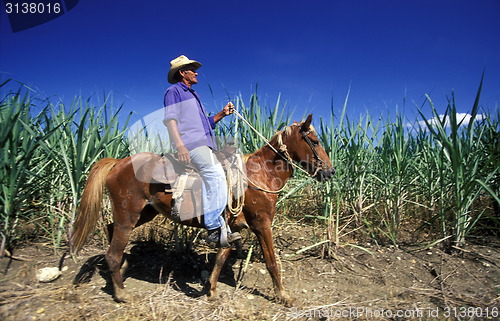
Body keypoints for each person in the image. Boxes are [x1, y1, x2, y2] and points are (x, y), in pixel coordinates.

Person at [163, 55, 239, 247]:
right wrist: (180, 145)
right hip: (192, 144)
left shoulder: (194, 95)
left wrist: (222, 113)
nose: (196, 73)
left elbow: (207, 124)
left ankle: (224, 222)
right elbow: (170, 120)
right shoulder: (174, 91)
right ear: (182, 72)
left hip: (205, 143)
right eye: (192, 69)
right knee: (215, 174)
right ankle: (213, 227)